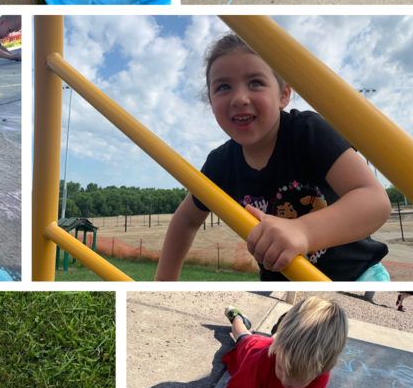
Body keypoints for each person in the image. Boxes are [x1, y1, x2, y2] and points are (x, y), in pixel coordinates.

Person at [155, 32, 391, 281]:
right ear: (211, 101)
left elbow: (374, 201)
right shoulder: (220, 165)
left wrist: (302, 231)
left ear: (283, 95)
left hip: (355, 277)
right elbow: (185, 218)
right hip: (285, 288)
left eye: (255, 82)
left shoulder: (308, 132)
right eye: (223, 87)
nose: (239, 98)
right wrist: (162, 284)